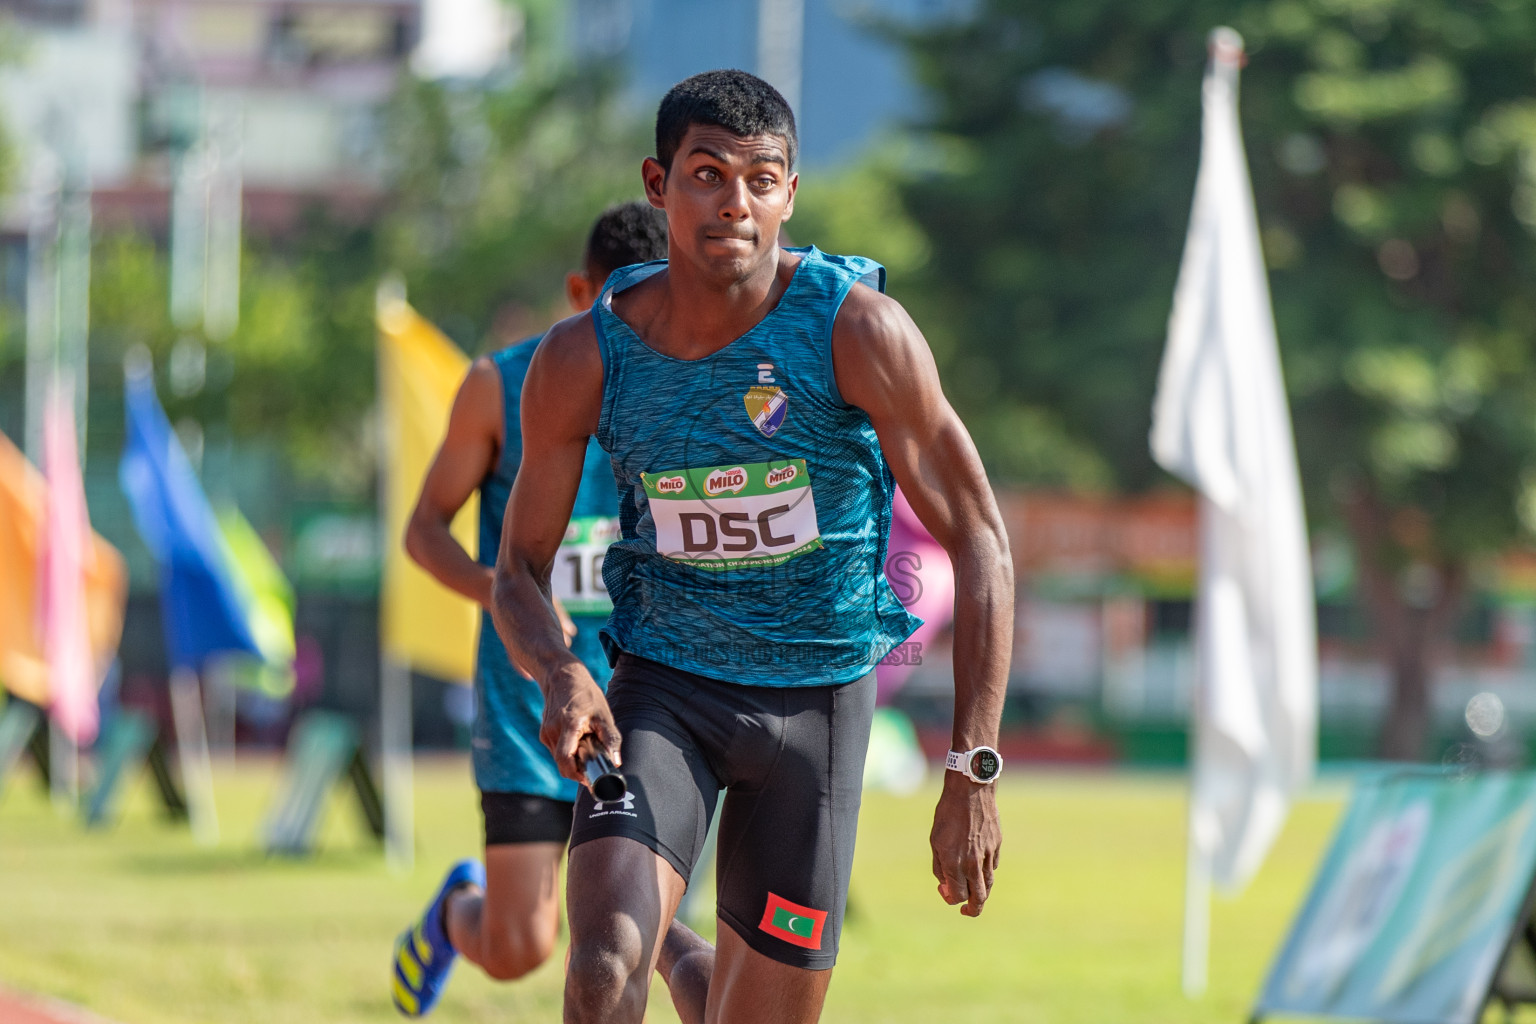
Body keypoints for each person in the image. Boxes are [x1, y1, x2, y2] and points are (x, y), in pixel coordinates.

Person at [493, 70, 1014, 1024]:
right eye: (707, 174)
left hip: (815, 710)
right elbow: (518, 570)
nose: (735, 202)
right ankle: (649, 937)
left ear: (790, 193)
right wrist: (562, 670)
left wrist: (970, 769)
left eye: (761, 178)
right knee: (604, 963)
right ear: (659, 185)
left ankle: (683, 957)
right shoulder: (583, 359)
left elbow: (980, 539)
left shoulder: (858, 331)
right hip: (662, 693)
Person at [390, 202, 715, 1021]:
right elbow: (424, 530)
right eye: (623, 302)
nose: (640, 323)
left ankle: (687, 968)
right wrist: (504, 598)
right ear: (582, 292)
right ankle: (453, 916)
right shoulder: (497, 384)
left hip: (645, 690)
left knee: (629, 914)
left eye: (659, 302)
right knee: (520, 948)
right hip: (524, 696)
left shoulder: (693, 386)